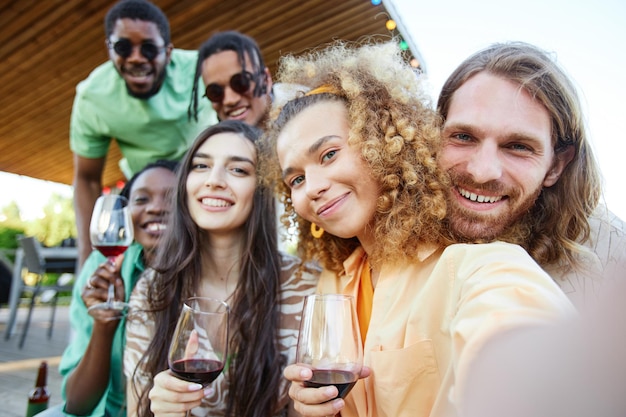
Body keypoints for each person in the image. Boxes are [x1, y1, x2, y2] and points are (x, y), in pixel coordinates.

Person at [261, 41, 575, 417]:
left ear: (382, 142)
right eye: (295, 179)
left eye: (329, 154)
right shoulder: (334, 281)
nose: (312, 187)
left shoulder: (478, 268)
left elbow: (529, 357)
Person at [123, 120, 319, 417]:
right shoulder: (153, 288)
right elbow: (135, 409)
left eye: (238, 170)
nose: (213, 180)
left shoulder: (305, 287)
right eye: (200, 166)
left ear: (263, 188)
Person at [436, 41, 626, 309]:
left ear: (556, 165)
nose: (481, 172)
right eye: (463, 137)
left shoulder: (612, 262)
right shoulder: (384, 235)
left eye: (517, 147)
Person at [71, 0, 217, 267]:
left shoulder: (202, 70)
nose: (136, 57)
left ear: (168, 52)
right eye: (123, 47)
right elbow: (87, 178)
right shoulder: (92, 97)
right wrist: (87, 256)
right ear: (109, 48)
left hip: (204, 184)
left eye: (148, 48)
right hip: (149, 194)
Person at [41, 160, 178, 417]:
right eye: (141, 199)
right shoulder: (99, 267)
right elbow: (77, 403)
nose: (156, 207)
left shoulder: (208, 269)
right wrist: (104, 326)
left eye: (172, 198)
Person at [188, 30, 273, 128]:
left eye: (241, 82)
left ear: (266, 80)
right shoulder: (215, 141)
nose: (229, 100)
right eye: (215, 92)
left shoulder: (294, 117)